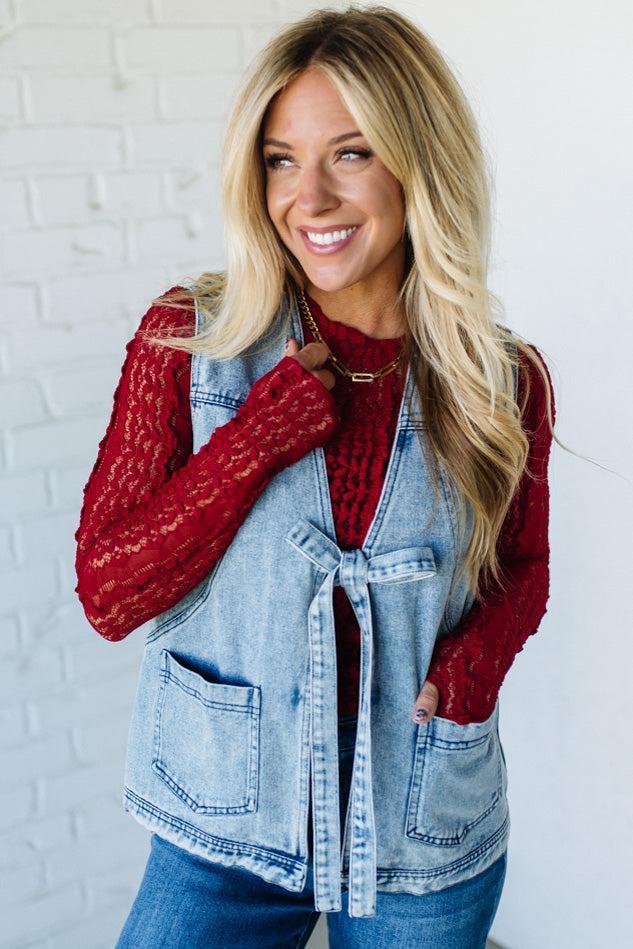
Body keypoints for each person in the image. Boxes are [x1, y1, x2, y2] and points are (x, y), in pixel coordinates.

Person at [74, 5, 558, 947]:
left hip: (421, 811)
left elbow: (522, 567)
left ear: (420, 160)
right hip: (226, 812)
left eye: (351, 153)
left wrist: (465, 676)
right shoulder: (190, 342)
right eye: (280, 158)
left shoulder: (505, 377)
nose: (309, 198)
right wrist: (255, 439)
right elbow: (107, 590)